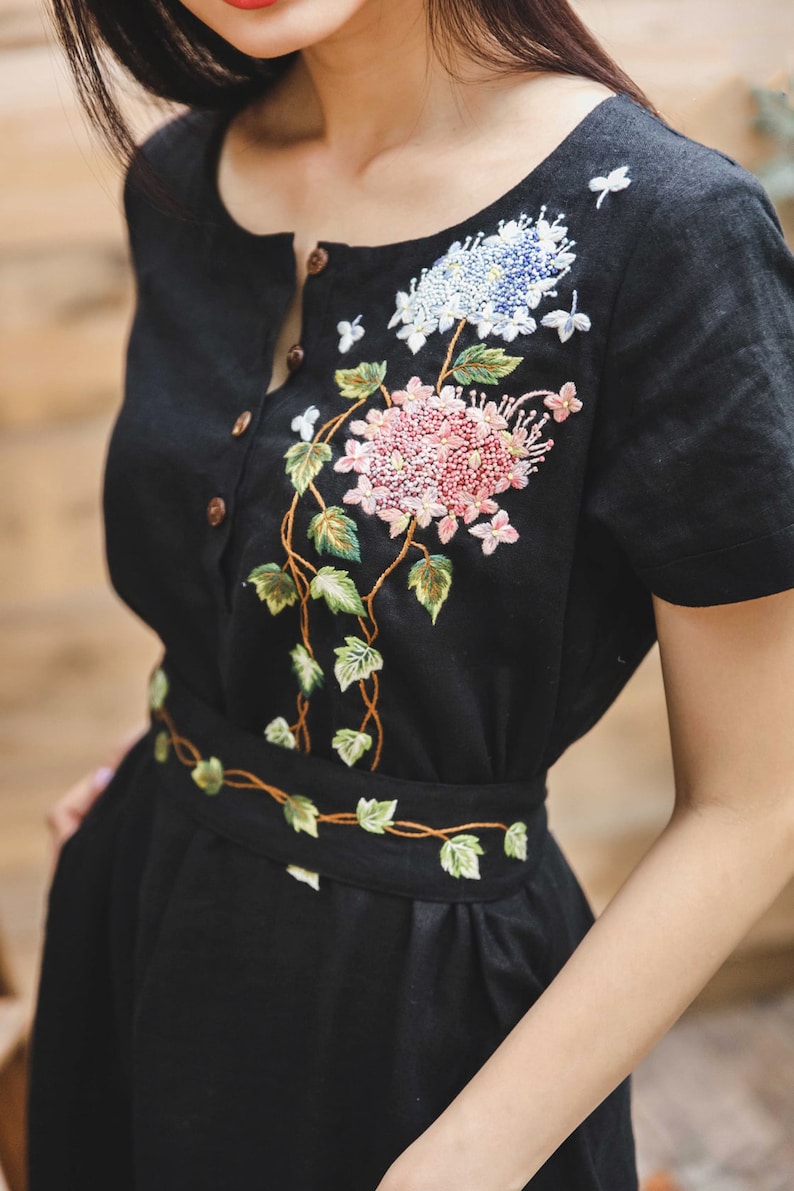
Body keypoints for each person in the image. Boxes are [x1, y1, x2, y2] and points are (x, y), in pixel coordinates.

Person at [27, 1, 794, 1188]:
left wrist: (468, 1160)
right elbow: (251, 549)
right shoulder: (185, 176)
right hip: (144, 916)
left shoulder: (661, 229)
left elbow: (754, 802)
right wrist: (195, 748)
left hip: (426, 1036)